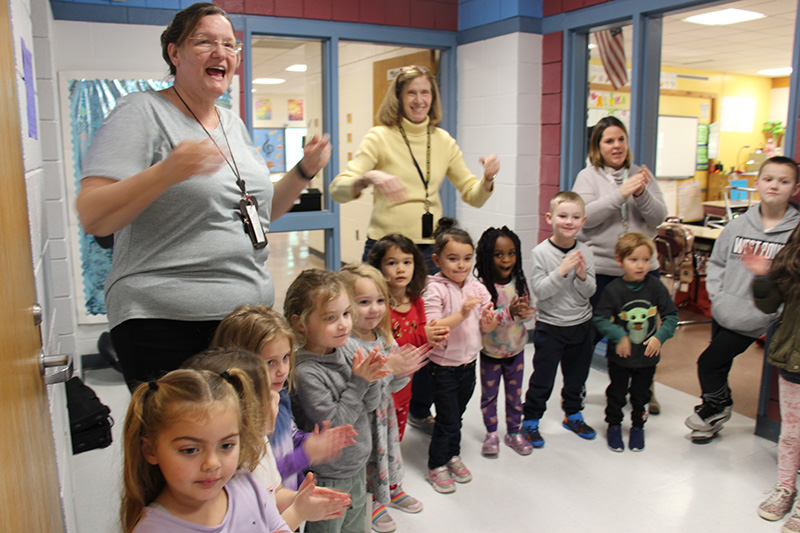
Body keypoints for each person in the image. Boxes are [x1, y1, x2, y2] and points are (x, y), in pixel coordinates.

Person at [75, 2, 332, 391]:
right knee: (186, 445)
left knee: (241, 442)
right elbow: (93, 215)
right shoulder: (143, 112)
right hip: (164, 323)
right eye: (205, 41)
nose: (221, 53)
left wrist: (303, 171)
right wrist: (167, 171)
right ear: (174, 52)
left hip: (243, 320)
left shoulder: (233, 123)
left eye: (230, 45)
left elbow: (259, 214)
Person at [331, 65, 498, 432]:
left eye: (425, 93)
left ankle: (416, 408)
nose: (419, 100)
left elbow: (471, 192)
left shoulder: (442, 140)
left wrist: (487, 179)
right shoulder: (379, 137)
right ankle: (365, 406)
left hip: (424, 253)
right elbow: (338, 188)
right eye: (411, 93)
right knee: (374, 328)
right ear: (399, 97)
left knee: (422, 335)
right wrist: (369, 177)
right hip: (385, 252)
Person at [686, 156, 800, 440]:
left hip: (758, 315)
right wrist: (717, 296)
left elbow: (792, 283)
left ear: (795, 188)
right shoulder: (737, 226)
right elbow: (719, 263)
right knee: (719, 364)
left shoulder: (795, 234)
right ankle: (712, 412)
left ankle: (718, 405)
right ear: (757, 183)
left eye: (784, 181)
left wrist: (773, 312)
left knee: (708, 362)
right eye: (768, 179)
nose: (774, 186)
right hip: (725, 307)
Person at [182, 347, 352, 531]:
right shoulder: (221, 477)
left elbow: (273, 493)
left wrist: (300, 499)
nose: (278, 397)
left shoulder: (260, 444)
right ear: (247, 412)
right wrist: (298, 512)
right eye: (269, 394)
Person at [572, 116, 667, 413]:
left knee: (642, 332)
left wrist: (640, 192)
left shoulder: (640, 175)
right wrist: (621, 193)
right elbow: (585, 217)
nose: (617, 146)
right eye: (609, 140)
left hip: (642, 271)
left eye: (621, 139)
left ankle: (644, 388)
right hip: (602, 273)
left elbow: (659, 217)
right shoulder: (587, 177)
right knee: (588, 336)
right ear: (597, 147)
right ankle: (576, 388)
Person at [120, 367, 290, 532]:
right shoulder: (153, 529)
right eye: (190, 450)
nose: (212, 464)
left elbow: (279, 527)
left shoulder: (249, 486)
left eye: (226, 446)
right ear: (151, 450)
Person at [285, 269, 389, 533]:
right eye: (330, 318)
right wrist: (361, 381)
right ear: (300, 323)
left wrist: (374, 376)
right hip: (328, 474)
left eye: (345, 314)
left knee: (355, 527)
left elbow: (370, 405)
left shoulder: (350, 347)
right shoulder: (306, 371)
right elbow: (334, 424)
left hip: (356, 465)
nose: (343, 324)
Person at [210, 305, 357, 492]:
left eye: (286, 357)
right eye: (270, 362)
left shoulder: (280, 395)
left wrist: (311, 441)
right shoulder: (236, 417)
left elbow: (290, 435)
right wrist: (304, 455)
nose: (282, 370)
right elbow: (260, 478)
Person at [338, 264, 428, 533]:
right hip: (362, 418)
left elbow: (394, 383)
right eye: (364, 302)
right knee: (367, 458)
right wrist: (390, 367)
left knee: (388, 450)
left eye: (380, 301)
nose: (374, 309)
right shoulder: (346, 343)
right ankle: (371, 500)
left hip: (383, 413)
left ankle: (391, 487)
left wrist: (404, 370)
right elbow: (364, 385)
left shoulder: (383, 336)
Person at [422, 218, 497, 494]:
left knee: (458, 415)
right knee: (447, 418)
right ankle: (436, 464)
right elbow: (434, 327)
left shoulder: (476, 287)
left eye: (467, 258)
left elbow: (486, 326)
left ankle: (452, 455)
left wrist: (488, 319)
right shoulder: (434, 288)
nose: (461, 265)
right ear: (437, 260)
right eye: (453, 259)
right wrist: (463, 313)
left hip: (469, 364)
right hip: (443, 368)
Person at [520, 192, 597, 448]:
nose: (568, 221)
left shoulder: (586, 251)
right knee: (543, 377)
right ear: (550, 218)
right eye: (563, 216)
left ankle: (573, 414)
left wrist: (583, 276)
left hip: (581, 325)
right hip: (551, 326)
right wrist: (562, 271)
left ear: (583, 221)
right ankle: (530, 419)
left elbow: (590, 292)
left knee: (577, 377)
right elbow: (540, 291)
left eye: (575, 217)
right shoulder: (540, 252)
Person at [593, 233, 678, 452]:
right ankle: (613, 425)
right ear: (619, 260)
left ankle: (638, 427)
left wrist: (660, 337)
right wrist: (618, 336)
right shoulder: (613, 290)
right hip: (619, 357)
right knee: (617, 393)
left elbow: (671, 316)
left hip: (646, 358)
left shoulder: (656, 287)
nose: (640, 266)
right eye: (633, 260)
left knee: (642, 396)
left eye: (645, 260)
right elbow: (600, 318)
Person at [367, 234, 449, 439]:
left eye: (407, 262)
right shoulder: (378, 307)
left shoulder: (416, 301)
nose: (401, 269)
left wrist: (434, 336)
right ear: (378, 268)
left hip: (405, 384)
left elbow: (424, 343)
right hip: (382, 386)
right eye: (392, 263)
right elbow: (384, 349)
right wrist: (423, 336)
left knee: (397, 436)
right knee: (378, 436)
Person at [749, 224, 800, 528]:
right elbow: (769, 303)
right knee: (791, 433)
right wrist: (763, 275)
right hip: (794, 357)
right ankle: (785, 487)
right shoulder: (792, 251)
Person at [474, 226, 535, 457]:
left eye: (511, 253)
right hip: (490, 352)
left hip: (516, 350)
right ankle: (491, 433)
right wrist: (508, 311)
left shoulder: (519, 281)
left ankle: (513, 432)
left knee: (515, 395)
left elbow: (523, 311)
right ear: (487, 257)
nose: (506, 259)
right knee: (489, 396)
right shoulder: (481, 287)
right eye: (498, 254)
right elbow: (484, 320)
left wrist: (526, 311)